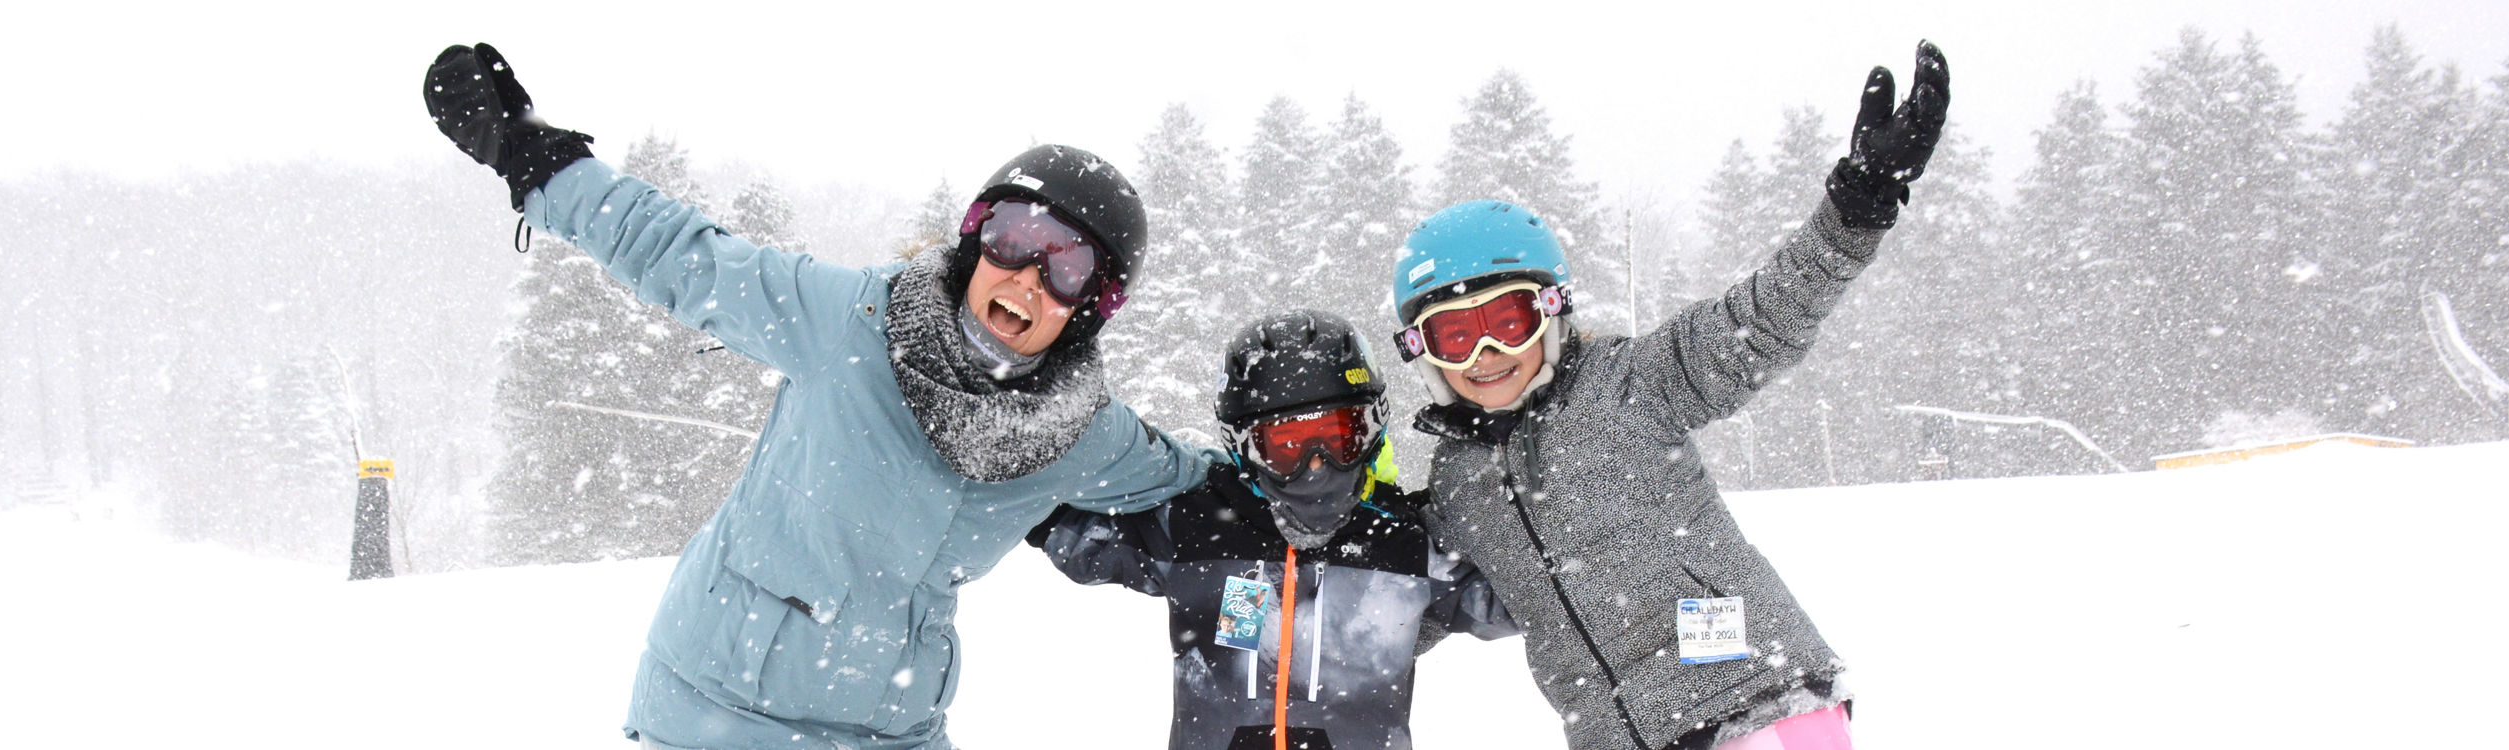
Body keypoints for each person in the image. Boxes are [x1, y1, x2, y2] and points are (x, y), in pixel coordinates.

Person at [420, 44, 1213, 750]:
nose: (1027, 276)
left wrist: (1317, 469)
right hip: (720, 712)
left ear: (1090, 306)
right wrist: (535, 158)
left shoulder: (1076, 433)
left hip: (894, 729)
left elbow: (1190, 476)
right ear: (977, 237)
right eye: (1014, 237)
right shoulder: (849, 322)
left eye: (1066, 266)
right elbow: (684, 255)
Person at [1385, 43, 1950, 750]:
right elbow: (1403, 604)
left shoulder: (1631, 384)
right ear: (1424, 353)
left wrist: (1856, 208)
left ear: (1553, 312)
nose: (1487, 354)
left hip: (1756, 706)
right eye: (1455, 336)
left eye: (1508, 321)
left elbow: (1762, 320)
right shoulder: (1458, 481)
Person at [1027, 311, 1516, 750]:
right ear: (1243, 446)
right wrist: (1019, 458)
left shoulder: (1405, 542)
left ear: (1372, 430)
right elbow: (1070, 529)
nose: (1316, 466)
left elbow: (1535, 598)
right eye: (1287, 445)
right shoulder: (1199, 523)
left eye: (1339, 436)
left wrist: (1516, 483)